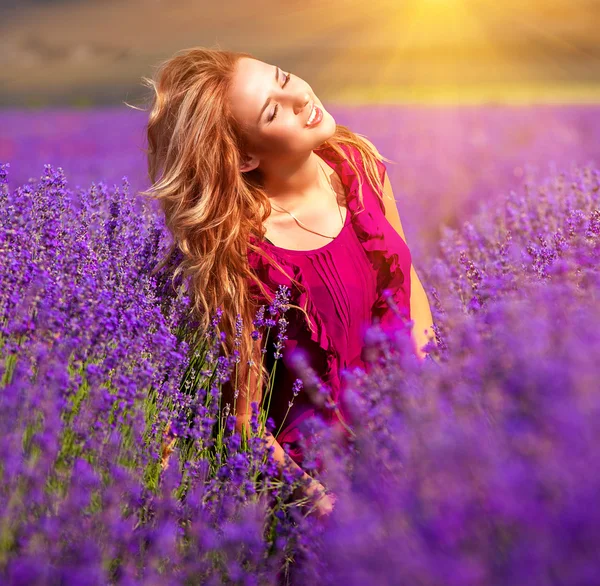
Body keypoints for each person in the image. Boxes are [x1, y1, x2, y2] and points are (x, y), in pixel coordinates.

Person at [142, 47, 435, 518]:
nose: (299, 96)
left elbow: (409, 285)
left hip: (407, 431)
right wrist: (325, 506)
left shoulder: (357, 165)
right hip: (316, 478)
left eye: (283, 77)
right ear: (242, 158)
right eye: (273, 109)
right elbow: (244, 422)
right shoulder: (240, 251)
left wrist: (431, 396)